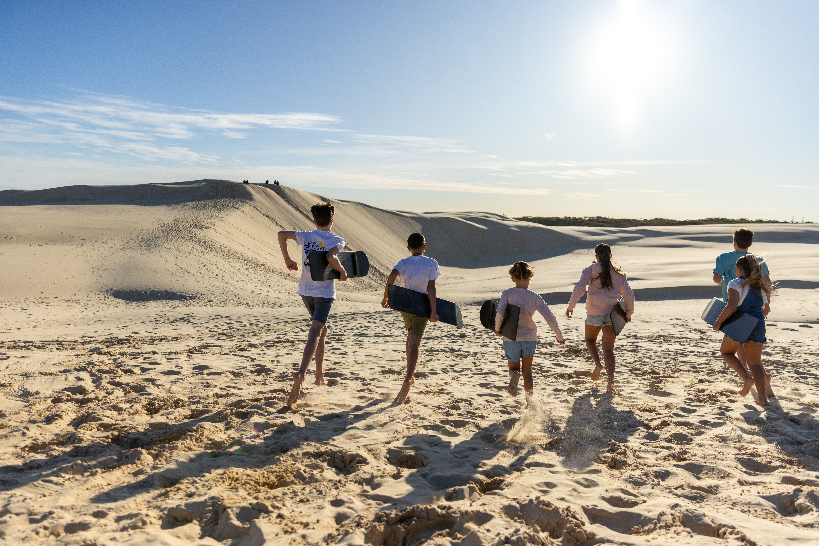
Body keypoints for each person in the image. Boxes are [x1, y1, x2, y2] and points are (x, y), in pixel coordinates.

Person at [277, 202, 347, 406]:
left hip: (306, 291)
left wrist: (287, 259)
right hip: (324, 293)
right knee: (316, 331)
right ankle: (301, 373)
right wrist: (341, 271)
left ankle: (319, 376)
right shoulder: (337, 239)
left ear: (315, 221)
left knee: (321, 331)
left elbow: (281, 234)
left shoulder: (306, 235)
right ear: (332, 221)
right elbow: (330, 256)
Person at [566, 243, 635, 392]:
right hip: (613, 315)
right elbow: (629, 295)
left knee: (590, 340)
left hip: (594, 312)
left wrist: (571, 306)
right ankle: (610, 383)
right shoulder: (619, 274)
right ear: (610, 256)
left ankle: (597, 364)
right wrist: (628, 313)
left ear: (596, 257)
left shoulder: (590, 270)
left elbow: (579, 289)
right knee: (608, 349)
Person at [381, 233, 440, 404]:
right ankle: (408, 377)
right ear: (424, 246)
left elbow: (391, 277)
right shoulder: (431, 263)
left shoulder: (404, 262)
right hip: (421, 305)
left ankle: (410, 375)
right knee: (415, 343)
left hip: (406, 305)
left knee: (409, 337)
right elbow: (431, 289)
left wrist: (387, 297)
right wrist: (433, 312)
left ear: (408, 248)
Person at [494, 261, 565, 403]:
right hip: (529, 338)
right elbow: (549, 317)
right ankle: (529, 402)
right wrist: (559, 335)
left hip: (511, 337)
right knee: (527, 372)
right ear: (530, 277)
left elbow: (500, 313)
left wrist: (497, 329)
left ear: (513, 278)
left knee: (514, 368)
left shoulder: (507, 294)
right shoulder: (535, 297)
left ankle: (514, 377)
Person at [712, 228, 771, 387]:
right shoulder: (756, 260)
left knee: (738, 341)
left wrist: (724, 283)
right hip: (755, 304)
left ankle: (746, 374)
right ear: (750, 243)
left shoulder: (723, 258)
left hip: (732, 305)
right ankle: (760, 376)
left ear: (734, 241)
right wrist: (767, 303)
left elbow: (716, 278)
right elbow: (767, 282)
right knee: (752, 344)